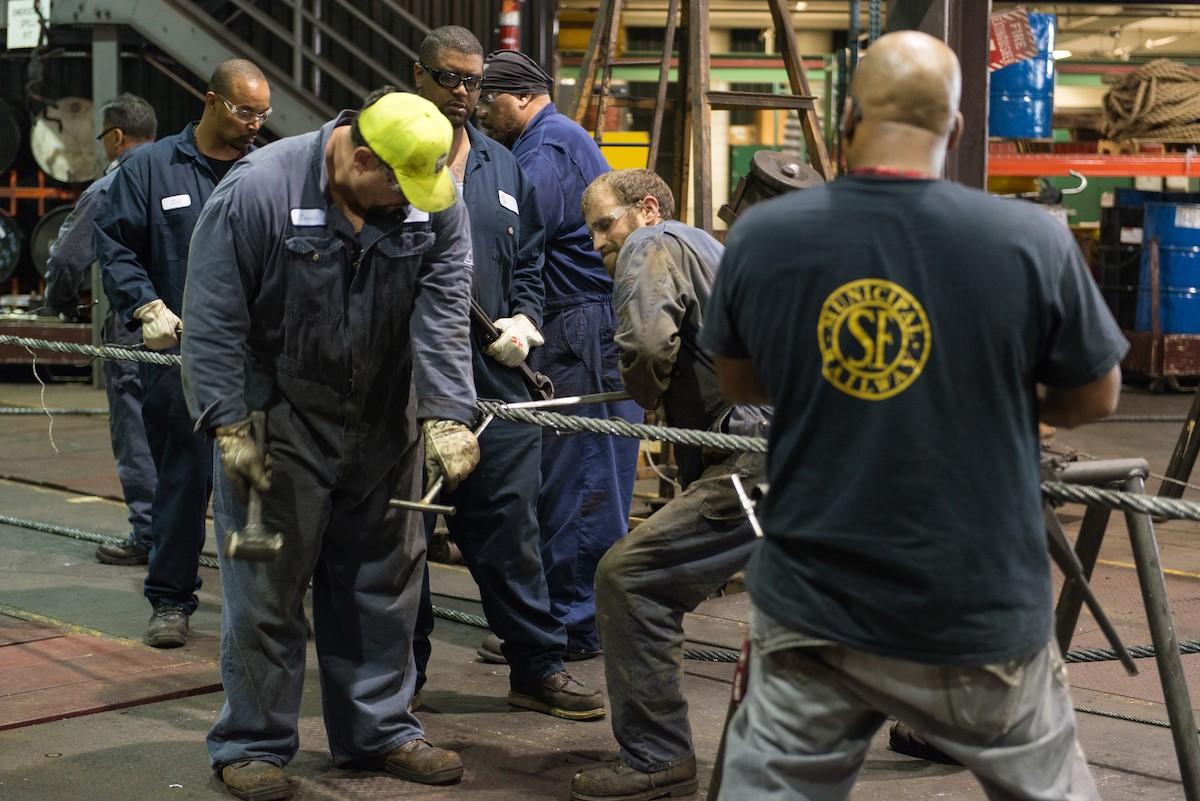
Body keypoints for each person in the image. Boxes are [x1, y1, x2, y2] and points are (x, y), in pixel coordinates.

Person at [702, 31, 1125, 801]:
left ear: (845, 121)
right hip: (977, 605)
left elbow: (741, 381)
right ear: (957, 131)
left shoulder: (763, 236)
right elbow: (1096, 394)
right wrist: (999, 399)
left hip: (815, 603)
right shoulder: (1032, 238)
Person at [181, 89, 481, 801]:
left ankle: (378, 730)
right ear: (360, 156)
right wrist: (227, 423)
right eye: (397, 185)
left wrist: (446, 413)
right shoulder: (258, 191)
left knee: (382, 586)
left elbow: (442, 311)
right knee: (266, 593)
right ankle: (251, 742)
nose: (409, 201)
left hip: (384, 421)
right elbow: (213, 316)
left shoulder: (431, 200)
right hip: (278, 422)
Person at [409, 26, 605, 721]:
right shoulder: (388, 157)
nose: (463, 95)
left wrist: (525, 316)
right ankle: (403, 677)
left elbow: (529, 262)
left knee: (512, 529)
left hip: (495, 383)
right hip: (406, 386)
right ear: (419, 75)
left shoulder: (503, 165)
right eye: (449, 79)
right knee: (402, 539)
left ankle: (537, 665)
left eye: (474, 83)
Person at [567, 168, 769, 801]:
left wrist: (645, 394)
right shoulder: (711, 246)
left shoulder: (649, 245)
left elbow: (651, 345)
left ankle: (656, 756)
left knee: (632, 578)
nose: (601, 242)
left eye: (606, 224)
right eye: (593, 231)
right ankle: (956, 721)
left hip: (754, 460)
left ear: (646, 208)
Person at [96, 60, 270, 648]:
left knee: (264, 484)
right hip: (182, 362)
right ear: (211, 100)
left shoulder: (265, 171)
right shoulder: (150, 168)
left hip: (258, 366)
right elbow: (115, 242)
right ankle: (170, 599)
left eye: (262, 114)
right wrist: (144, 305)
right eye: (245, 111)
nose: (254, 124)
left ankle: (271, 602)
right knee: (183, 479)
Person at [475, 49, 642, 660]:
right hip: (577, 326)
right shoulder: (552, 139)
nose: (481, 113)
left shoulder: (542, 154)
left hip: (581, 328)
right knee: (567, 480)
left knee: (583, 481)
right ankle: (568, 617)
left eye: (487, 100)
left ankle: (573, 626)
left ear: (517, 96)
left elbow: (512, 234)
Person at [43, 93, 158, 566]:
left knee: (136, 430)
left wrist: (61, 302)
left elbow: (70, 256)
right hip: (196, 327)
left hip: (135, 326)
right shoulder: (181, 170)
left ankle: (151, 534)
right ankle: (183, 535)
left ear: (115, 137)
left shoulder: (112, 185)